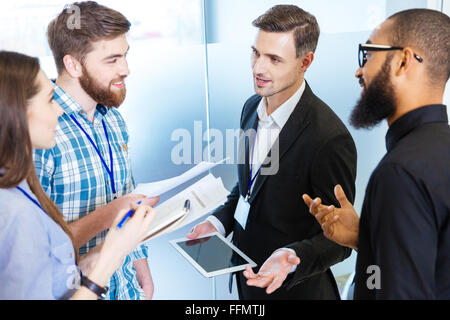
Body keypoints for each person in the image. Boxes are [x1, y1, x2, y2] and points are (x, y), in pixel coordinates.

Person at [244, 8, 450, 299]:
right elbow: (430, 265)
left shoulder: (397, 171)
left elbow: (395, 287)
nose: (359, 70)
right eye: (256, 53)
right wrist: (360, 237)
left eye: (368, 54)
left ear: (403, 61)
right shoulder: (437, 151)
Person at [187, 5, 357, 299]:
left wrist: (291, 256)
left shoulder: (329, 138)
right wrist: (217, 223)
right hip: (247, 282)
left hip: (295, 292)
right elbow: (249, 186)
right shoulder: (251, 107)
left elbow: (340, 240)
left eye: (274, 59)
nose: (258, 68)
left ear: (305, 62)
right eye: (256, 53)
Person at [0, 50, 156, 300]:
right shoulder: (14, 213)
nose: (59, 111)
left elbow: (49, 278)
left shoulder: (19, 187)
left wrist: (105, 252)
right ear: (18, 115)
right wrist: (110, 260)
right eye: (50, 99)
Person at [33, 1, 158, 300]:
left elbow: (126, 193)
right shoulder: (39, 130)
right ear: (74, 65)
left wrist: (140, 262)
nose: (126, 69)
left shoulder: (113, 118)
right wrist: (112, 213)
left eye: (125, 55)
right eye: (112, 59)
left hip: (126, 287)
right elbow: (36, 246)